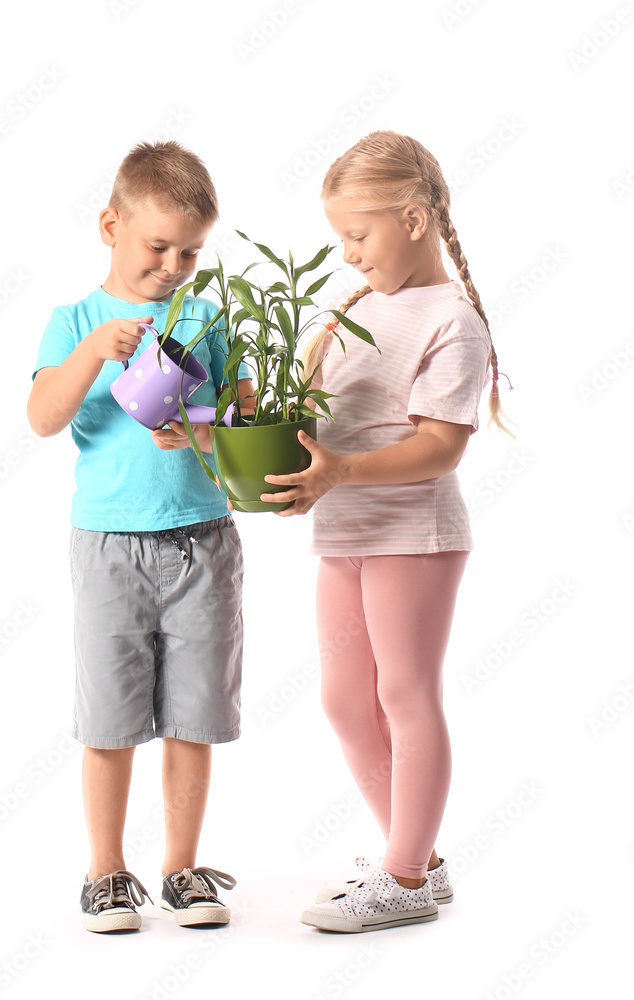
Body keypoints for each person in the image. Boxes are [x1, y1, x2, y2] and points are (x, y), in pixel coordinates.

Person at [261, 130, 513, 933]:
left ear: (412, 219)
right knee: (344, 699)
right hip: (343, 532)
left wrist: (338, 472)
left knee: (404, 693)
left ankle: (403, 875)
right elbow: (301, 398)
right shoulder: (351, 306)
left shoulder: (454, 320)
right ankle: (419, 860)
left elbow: (439, 447)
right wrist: (217, 424)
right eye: (340, 239)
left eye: (357, 236)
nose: (348, 256)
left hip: (414, 535)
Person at [27, 141, 255, 933]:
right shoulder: (75, 321)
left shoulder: (207, 317)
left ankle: (182, 868)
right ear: (110, 226)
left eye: (190, 250)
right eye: (157, 246)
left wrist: (199, 428)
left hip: (202, 540)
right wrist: (94, 351)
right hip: (109, 547)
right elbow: (43, 418)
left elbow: (244, 418)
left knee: (193, 714)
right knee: (111, 717)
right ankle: (105, 871)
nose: (174, 265)